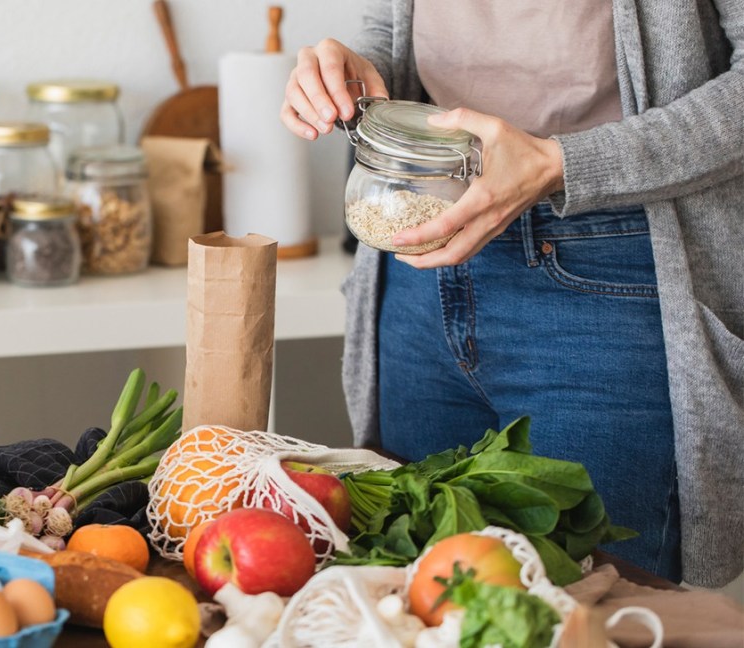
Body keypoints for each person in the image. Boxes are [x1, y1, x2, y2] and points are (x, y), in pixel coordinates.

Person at [281, 0, 742, 588]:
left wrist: (559, 163)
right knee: (412, 594)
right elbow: (396, 29)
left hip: (609, 276)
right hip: (417, 267)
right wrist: (354, 74)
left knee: (594, 603)